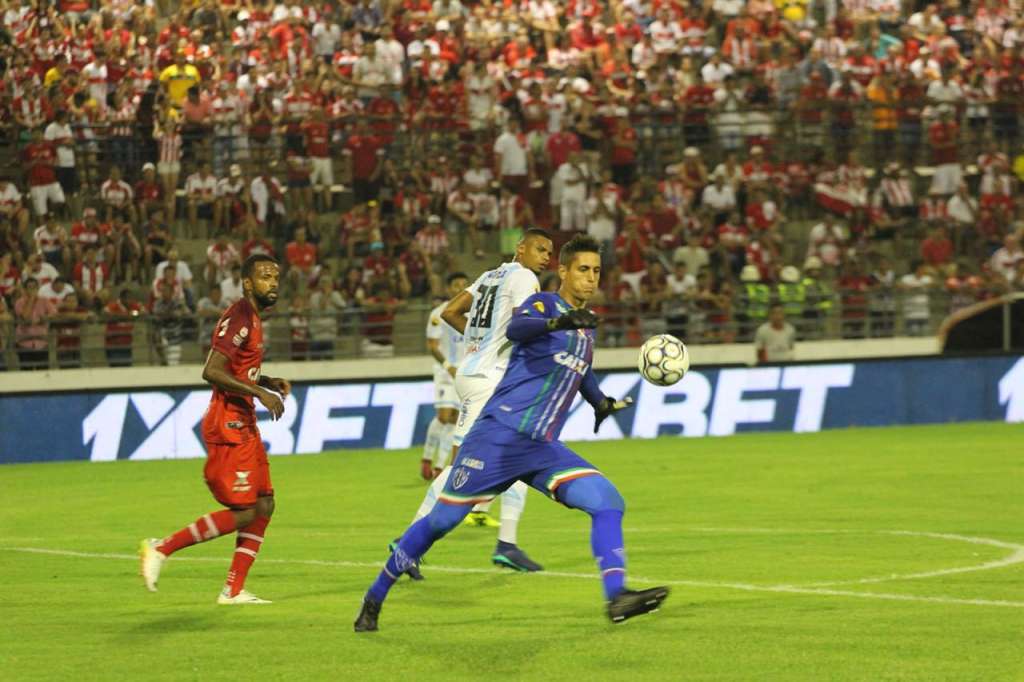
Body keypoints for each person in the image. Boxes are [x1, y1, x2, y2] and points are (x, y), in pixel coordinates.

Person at [355, 234, 667, 631]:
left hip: (541, 448)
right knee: (440, 523)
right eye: (583, 270)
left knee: (608, 501)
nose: (590, 279)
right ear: (564, 272)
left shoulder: (585, 329)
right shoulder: (544, 303)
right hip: (498, 437)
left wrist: (600, 402)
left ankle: (617, 597)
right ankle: (375, 595)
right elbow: (519, 327)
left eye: (596, 272)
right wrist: (560, 320)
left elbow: (580, 369)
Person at [403, 228, 554, 575]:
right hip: (490, 379)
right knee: (463, 468)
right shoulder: (524, 277)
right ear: (521, 248)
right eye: (540, 249)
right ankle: (408, 542)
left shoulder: (490, 275)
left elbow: (451, 312)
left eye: (549, 252)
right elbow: (523, 325)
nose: (546, 256)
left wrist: (477, 339)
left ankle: (507, 544)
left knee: (520, 454)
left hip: (474, 373)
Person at [140, 254, 288, 605]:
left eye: (276, 277)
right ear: (248, 283)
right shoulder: (240, 316)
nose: (273, 283)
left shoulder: (251, 317)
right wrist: (260, 392)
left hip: (245, 421)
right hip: (229, 424)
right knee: (246, 511)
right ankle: (161, 548)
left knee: (265, 504)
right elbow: (211, 370)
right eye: (265, 277)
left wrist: (264, 380)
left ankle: (232, 591)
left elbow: (236, 369)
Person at [422, 272, 468, 481]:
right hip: (445, 371)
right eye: (456, 284)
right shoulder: (438, 315)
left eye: (463, 285)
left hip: (465, 373)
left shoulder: (475, 315)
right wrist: (448, 366)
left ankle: (440, 466)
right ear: (449, 288)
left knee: (455, 420)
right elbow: (432, 346)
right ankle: (426, 457)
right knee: (443, 415)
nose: (460, 288)